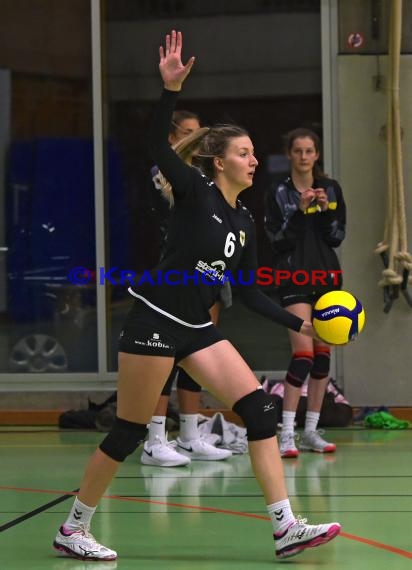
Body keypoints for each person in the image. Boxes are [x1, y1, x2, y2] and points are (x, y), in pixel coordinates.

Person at [53, 30, 341, 562]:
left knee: (257, 412)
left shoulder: (244, 218)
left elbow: (249, 290)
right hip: (155, 320)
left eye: (255, 153)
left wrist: (300, 323)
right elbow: (155, 147)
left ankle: (285, 527)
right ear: (218, 162)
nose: (254, 161)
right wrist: (169, 91)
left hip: (198, 330)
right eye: (244, 153)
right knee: (128, 432)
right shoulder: (194, 192)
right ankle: (74, 527)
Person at [144, 110, 232, 467]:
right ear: (173, 136)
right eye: (190, 134)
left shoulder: (205, 179)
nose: (198, 141)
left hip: (203, 274)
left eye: (201, 135)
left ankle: (191, 435)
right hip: (170, 273)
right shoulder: (166, 174)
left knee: (198, 348)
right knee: (163, 356)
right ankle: (154, 438)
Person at [264, 127, 346, 458]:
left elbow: (338, 235)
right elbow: (277, 240)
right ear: (289, 154)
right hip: (293, 279)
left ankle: (311, 431)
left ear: (317, 155)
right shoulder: (277, 192)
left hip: (326, 280)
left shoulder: (331, 188)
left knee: (323, 357)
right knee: (304, 356)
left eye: (309, 151)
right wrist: (299, 210)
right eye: (297, 151)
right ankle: (286, 434)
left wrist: (326, 212)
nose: (303, 157)